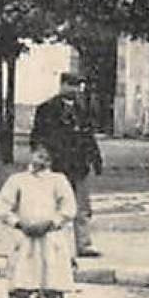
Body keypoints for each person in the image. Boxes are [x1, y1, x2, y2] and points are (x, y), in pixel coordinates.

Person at [0, 142, 78, 298]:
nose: (41, 161)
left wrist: (52, 222)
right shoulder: (18, 181)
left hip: (50, 240)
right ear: (31, 154)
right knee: (22, 290)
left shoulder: (58, 181)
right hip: (26, 240)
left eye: (46, 158)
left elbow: (69, 208)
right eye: (38, 156)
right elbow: (3, 207)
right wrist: (18, 223)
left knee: (52, 291)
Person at [31, 72, 105, 257]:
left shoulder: (82, 110)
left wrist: (96, 159)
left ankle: (84, 244)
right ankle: (54, 244)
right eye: (71, 85)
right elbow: (38, 137)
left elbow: (89, 136)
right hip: (57, 165)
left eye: (77, 85)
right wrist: (42, 159)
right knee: (56, 206)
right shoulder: (46, 109)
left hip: (79, 164)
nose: (74, 89)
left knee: (82, 207)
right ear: (62, 85)